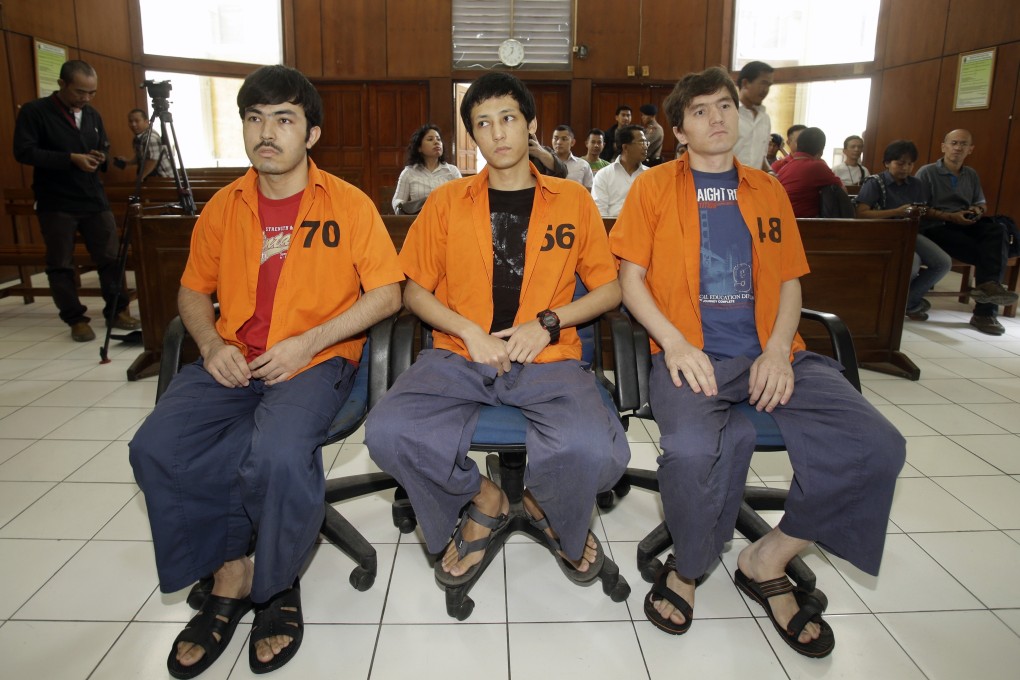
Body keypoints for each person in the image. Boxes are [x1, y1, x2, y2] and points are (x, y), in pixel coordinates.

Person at [610, 66, 905, 657]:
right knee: (693, 451)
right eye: (700, 111)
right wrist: (674, 343)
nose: (717, 118)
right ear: (680, 130)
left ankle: (767, 555)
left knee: (877, 445)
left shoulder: (767, 189)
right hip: (692, 356)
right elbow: (629, 279)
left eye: (724, 106)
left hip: (773, 354)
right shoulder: (653, 189)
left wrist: (777, 349)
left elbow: (792, 283)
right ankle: (689, 567)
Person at [128, 65, 404, 678]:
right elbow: (192, 293)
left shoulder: (348, 204)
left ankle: (276, 587)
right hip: (233, 355)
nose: (266, 132)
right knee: (155, 447)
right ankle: (230, 569)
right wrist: (208, 342)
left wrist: (310, 341)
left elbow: (387, 292)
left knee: (277, 454)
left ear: (311, 134)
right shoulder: (224, 208)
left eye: (283, 119)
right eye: (254, 119)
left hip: (314, 360)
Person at [365, 71, 630, 589]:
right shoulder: (445, 202)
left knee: (602, 453)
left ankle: (541, 501)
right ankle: (482, 496)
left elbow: (610, 289)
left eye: (509, 118)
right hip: (461, 354)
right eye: (483, 124)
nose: (499, 133)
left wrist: (549, 322)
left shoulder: (574, 201)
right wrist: (470, 332)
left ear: (530, 124)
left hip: (547, 357)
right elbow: (413, 289)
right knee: (387, 433)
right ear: (474, 137)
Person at [12, 60, 141, 342]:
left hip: (94, 198)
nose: (86, 98)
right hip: (57, 201)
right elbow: (24, 151)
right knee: (61, 262)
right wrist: (70, 159)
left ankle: (117, 310)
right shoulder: (36, 112)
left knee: (111, 258)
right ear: (61, 85)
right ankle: (75, 319)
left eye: (91, 93)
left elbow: (103, 146)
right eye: (80, 92)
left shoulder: (92, 114)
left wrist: (100, 158)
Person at [916, 129, 1018, 335]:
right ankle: (985, 313)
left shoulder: (970, 174)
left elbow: (981, 202)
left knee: (998, 230)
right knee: (989, 254)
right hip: (937, 226)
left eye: (963, 144)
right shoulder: (927, 172)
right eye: (953, 143)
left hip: (966, 222)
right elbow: (919, 208)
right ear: (943, 146)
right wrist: (950, 216)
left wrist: (976, 211)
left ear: (970, 149)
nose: (958, 148)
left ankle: (987, 294)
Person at [854, 140, 951, 321]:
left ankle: (907, 302)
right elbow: (862, 214)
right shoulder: (875, 182)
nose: (905, 168)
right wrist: (897, 212)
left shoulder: (916, 184)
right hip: (884, 235)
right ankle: (896, 305)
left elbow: (921, 209)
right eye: (900, 163)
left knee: (943, 262)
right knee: (912, 263)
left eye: (910, 164)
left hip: (911, 233)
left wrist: (919, 212)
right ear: (887, 163)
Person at [774, 127, 845, 217]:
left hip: (780, 219)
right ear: (821, 151)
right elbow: (842, 191)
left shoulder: (786, 167)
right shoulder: (817, 166)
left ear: (798, 146)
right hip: (801, 223)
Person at [391, 123, 462, 214]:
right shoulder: (409, 172)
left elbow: (462, 197)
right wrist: (403, 210)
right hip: (418, 220)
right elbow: (398, 200)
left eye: (438, 139)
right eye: (430, 139)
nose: (436, 142)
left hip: (446, 219)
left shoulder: (452, 171)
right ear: (419, 148)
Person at [591, 124, 648, 217]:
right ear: (625, 147)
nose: (645, 147)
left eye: (646, 143)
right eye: (641, 142)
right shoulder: (604, 175)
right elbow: (600, 212)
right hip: (613, 228)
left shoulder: (650, 175)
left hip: (644, 228)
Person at [732, 60, 774, 171]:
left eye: (768, 85)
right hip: (726, 184)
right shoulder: (727, 114)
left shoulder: (765, 119)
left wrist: (770, 172)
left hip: (753, 185)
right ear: (745, 83)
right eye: (763, 83)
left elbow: (761, 157)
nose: (766, 90)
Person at [113, 108, 173, 180]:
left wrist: (140, 177)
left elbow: (152, 161)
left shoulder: (150, 138)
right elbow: (142, 157)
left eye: (137, 121)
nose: (133, 124)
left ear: (146, 122)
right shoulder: (139, 137)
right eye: (130, 121)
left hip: (163, 178)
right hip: (153, 177)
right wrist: (128, 161)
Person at [551, 124, 594, 189]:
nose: (559, 142)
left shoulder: (583, 165)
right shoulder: (543, 162)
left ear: (572, 142)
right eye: (556, 138)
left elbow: (588, 191)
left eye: (564, 139)